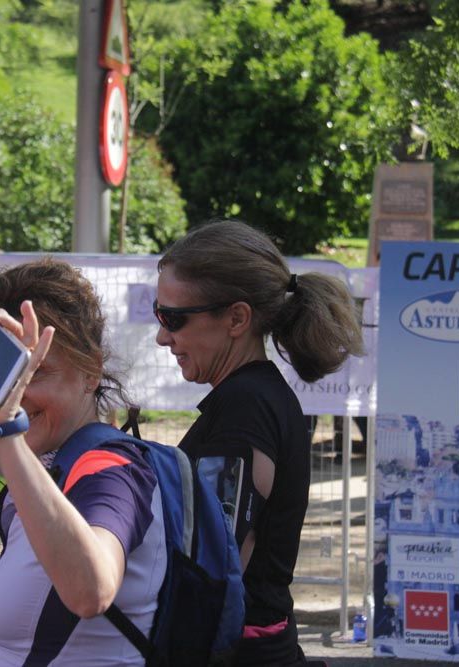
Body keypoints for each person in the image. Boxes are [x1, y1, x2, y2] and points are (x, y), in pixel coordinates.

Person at [0, 259, 165, 667]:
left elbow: (90, 592)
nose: (15, 395)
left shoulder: (109, 470)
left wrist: (3, 433)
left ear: (91, 370)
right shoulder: (40, 471)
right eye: (3, 375)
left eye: (35, 373)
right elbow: (58, 645)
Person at [153, 220, 364, 666]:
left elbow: (213, 567)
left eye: (173, 318)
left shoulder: (245, 407)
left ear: (236, 318)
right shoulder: (254, 397)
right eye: (159, 314)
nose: (162, 335)